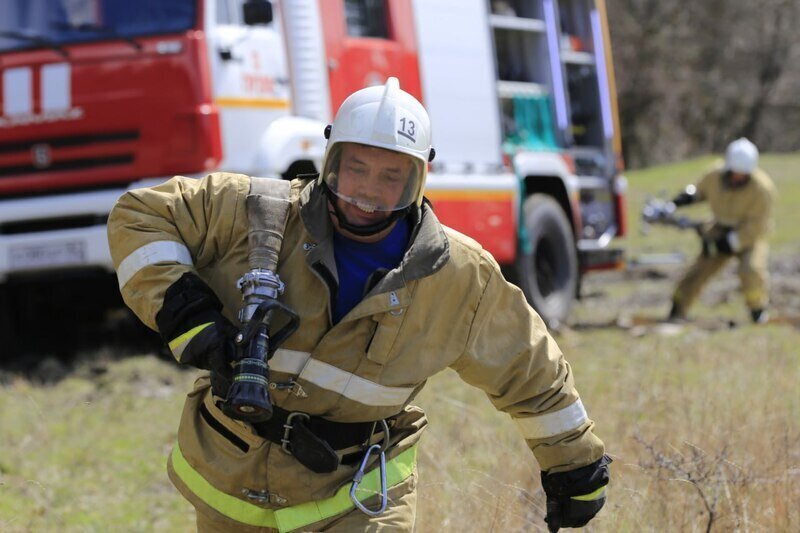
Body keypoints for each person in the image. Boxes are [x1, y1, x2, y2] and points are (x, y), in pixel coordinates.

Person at [108, 77, 609, 532]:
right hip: (230, 485)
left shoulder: (459, 277)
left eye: (392, 177)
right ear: (331, 163)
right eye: (356, 170)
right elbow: (141, 218)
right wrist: (187, 316)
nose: (368, 193)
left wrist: (575, 464)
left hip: (361, 496)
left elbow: (530, 370)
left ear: (418, 181)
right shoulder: (252, 214)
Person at [668, 138, 776, 323]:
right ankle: (677, 309)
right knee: (699, 269)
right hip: (719, 229)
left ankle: (757, 310)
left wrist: (729, 243)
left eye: (743, 175)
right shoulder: (715, 175)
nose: (738, 178)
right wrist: (685, 198)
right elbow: (700, 190)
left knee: (751, 269)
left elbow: (757, 226)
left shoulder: (762, 189)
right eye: (735, 173)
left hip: (749, 236)